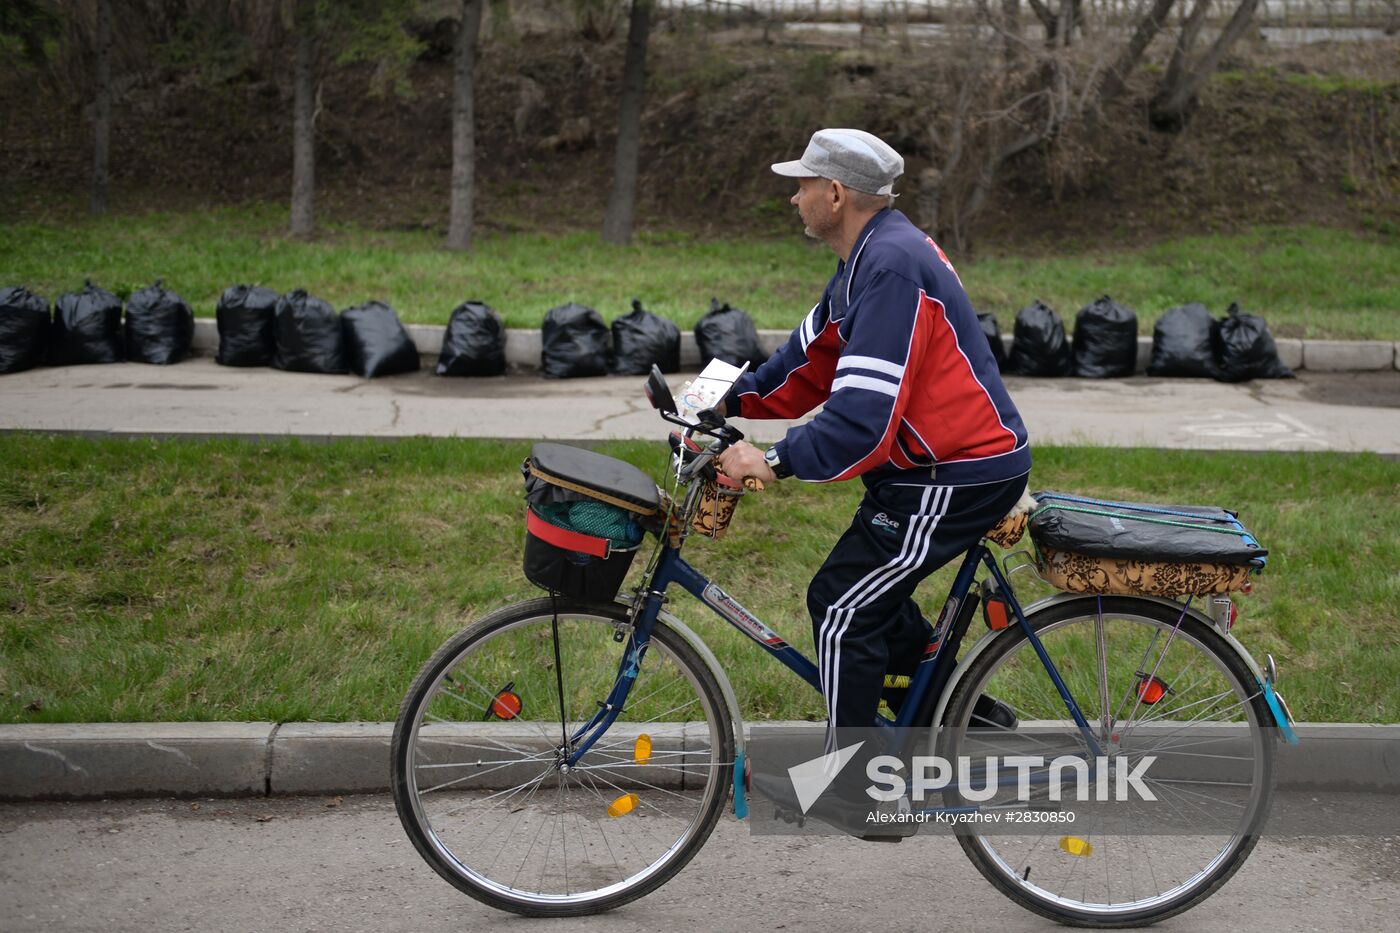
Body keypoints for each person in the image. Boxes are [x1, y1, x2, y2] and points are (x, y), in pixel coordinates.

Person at [715, 128, 1031, 748]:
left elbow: (862, 419)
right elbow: (807, 364)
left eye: (802, 184)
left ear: (834, 194)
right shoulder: (863, 261)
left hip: (956, 473)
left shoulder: (888, 267)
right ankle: (956, 710)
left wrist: (775, 459)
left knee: (841, 607)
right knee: (868, 595)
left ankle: (860, 784)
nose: (793, 198)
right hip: (928, 470)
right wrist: (726, 399)